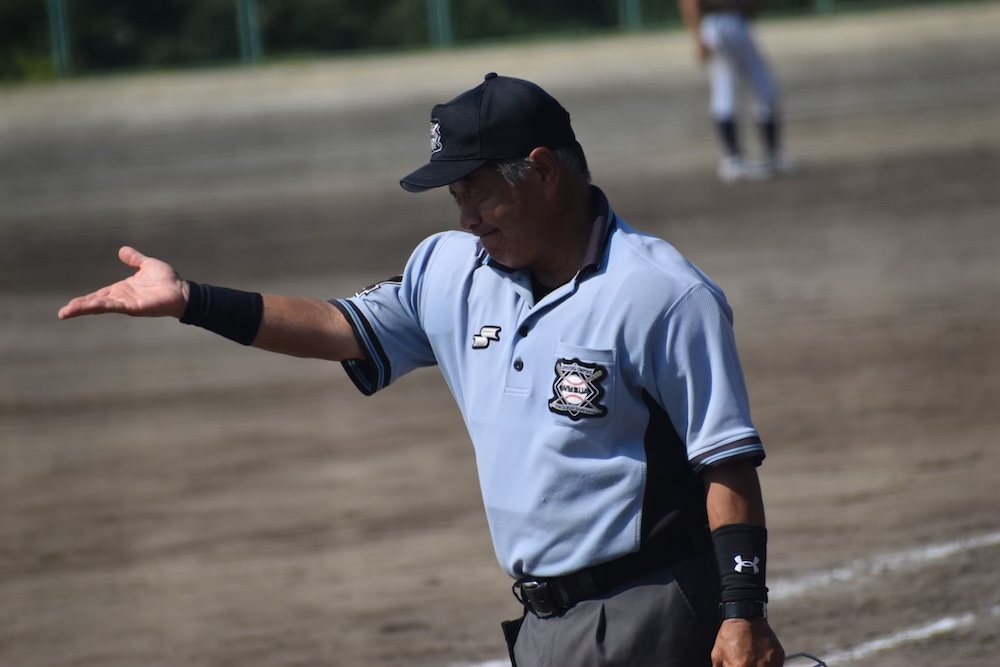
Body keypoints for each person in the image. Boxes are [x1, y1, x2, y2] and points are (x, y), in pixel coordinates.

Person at [58, 72, 785, 667]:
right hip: (541, 625)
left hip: (651, 609)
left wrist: (742, 613)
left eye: (476, 190)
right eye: (455, 196)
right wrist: (191, 300)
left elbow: (725, 461)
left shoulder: (659, 293)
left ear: (541, 171)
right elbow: (340, 327)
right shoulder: (451, 269)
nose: (465, 216)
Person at [677, 0, 799, 182]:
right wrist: (697, 37)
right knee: (726, 91)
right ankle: (734, 159)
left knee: (765, 90)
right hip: (717, 22)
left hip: (735, 21)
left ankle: (770, 155)